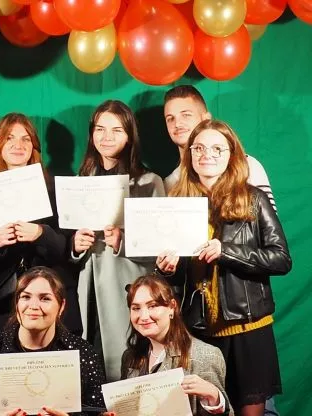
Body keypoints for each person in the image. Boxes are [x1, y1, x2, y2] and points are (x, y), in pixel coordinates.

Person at [157, 119, 292, 416]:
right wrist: (167, 269)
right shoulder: (177, 202)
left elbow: (281, 259)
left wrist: (226, 252)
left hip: (249, 328)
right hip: (200, 331)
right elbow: (179, 276)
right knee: (205, 410)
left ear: (232, 155)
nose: (208, 154)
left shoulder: (253, 199)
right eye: (200, 148)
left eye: (218, 149)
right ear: (190, 154)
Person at [70, 100, 165, 381]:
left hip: (128, 290)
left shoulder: (149, 181)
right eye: (100, 129)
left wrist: (123, 240)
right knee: (91, 365)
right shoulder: (81, 180)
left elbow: (162, 246)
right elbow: (69, 239)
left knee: (126, 367)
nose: (106, 137)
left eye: (116, 130)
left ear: (129, 136)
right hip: (87, 289)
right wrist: (75, 245)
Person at [0, 266, 106, 416]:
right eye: (25, 297)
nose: (34, 306)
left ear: (61, 306)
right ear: (17, 303)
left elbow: (96, 411)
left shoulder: (82, 352)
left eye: (45, 299)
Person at [0, 113, 79, 336]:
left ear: (34, 146)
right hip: (3, 301)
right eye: (10, 138)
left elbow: (68, 249)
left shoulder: (53, 189)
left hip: (50, 297)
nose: (18, 145)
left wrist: (42, 233)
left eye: (25, 139)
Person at [120, 274, 230, 415]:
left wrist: (215, 398)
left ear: (172, 307)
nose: (144, 316)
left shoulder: (205, 355)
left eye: (152, 306)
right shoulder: (130, 357)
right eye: (136, 308)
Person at [162, 85, 276, 212]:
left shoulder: (247, 166)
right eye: (170, 118)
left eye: (186, 115)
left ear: (206, 118)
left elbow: (269, 227)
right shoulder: (170, 182)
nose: (177, 124)